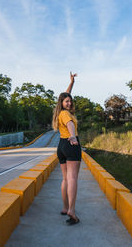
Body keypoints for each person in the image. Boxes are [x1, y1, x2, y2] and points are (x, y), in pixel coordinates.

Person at [52, 72, 81, 225]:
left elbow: (66, 94)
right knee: (73, 178)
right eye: (66, 101)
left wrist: (71, 82)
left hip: (62, 146)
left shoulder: (60, 112)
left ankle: (65, 208)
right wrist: (73, 136)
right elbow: (70, 124)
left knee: (65, 178)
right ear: (62, 103)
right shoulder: (65, 114)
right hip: (71, 144)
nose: (69, 103)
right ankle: (72, 210)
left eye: (70, 101)